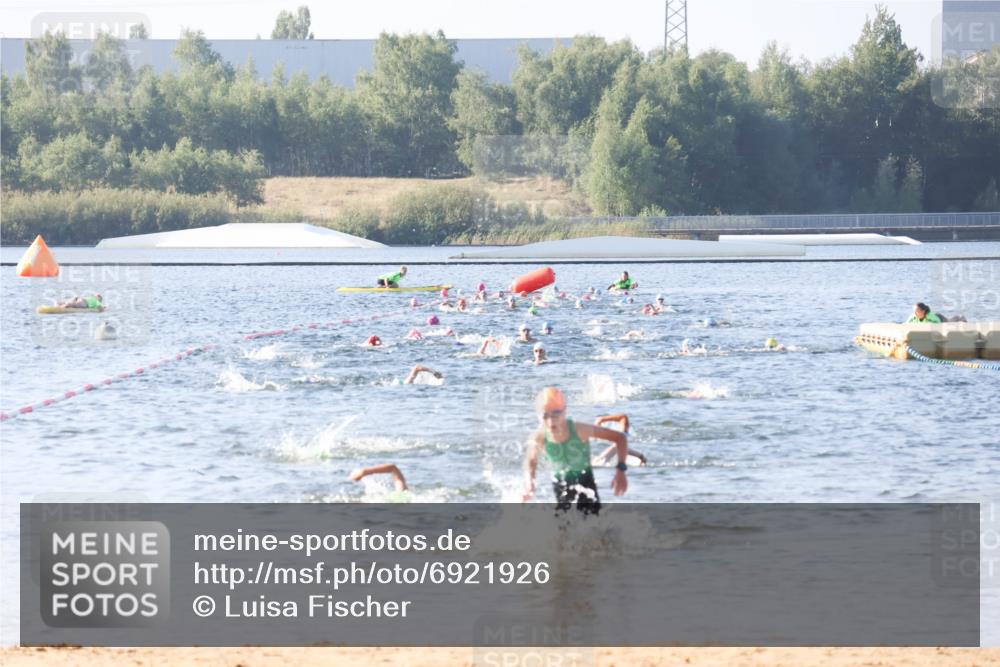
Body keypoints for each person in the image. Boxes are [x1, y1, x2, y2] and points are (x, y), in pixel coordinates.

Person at [522, 388, 628, 515]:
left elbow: (620, 438)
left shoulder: (580, 430)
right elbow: (531, 461)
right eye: (545, 415)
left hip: (586, 488)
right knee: (562, 531)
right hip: (561, 488)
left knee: (595, 531)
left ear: (564, 411)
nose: (550, 422)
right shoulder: (539, 437)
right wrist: (530, 485)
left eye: (555, 414)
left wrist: (620, 470)